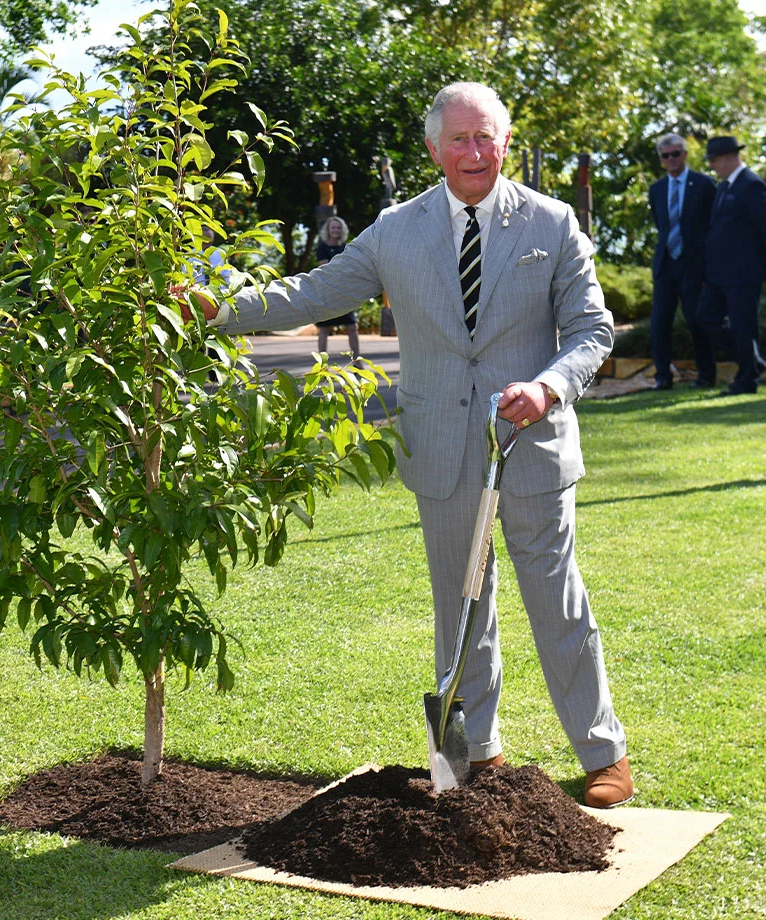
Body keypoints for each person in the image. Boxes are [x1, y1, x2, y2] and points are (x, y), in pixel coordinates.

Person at [188, 82, 631, 808]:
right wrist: (216, 309)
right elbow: (314, 293)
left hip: (533, 449)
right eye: (458, 139)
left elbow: (592, 332)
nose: (474, 152)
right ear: (432, 150)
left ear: (507, 142)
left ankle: (603, 752)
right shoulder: (396, 230)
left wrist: (548, 388)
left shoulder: (552, 225)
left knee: (559, 603)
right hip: (439, 450)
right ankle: (469, 755)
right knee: (459, 610)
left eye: (486, 136)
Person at [648, 134, 717, 390]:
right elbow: (662, 224)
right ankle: (663, 377)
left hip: (694, 265)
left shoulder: (704, 184)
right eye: (665, 156)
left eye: (675, 154)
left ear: (685, 154)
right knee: (659, 324)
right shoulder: (656, 189)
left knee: (696, 320)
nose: (671, 159)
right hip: (666, 265)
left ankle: (707, 375)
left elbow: (714, 224)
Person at [698, 135, 766, 396]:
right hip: (719, 275)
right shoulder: (726, 186)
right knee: (706, 315)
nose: (712, 166)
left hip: (743, 274)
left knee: (743, 327)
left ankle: (747, 379)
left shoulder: (751, 186)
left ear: (729, 157)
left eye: (714, 160)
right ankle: (754, 362)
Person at [314, 216, 361, 359]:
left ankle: (356, 360)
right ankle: (322, 364)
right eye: (333, 227)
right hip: (328, 292)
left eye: (338, 228)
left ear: (342, 230)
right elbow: (325, 268)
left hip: (344, 292)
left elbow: (350, 267)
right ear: (328, 230)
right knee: (324, 328)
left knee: (353, 327)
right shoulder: (322, 246)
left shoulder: (345, 247)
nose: (336, 230)